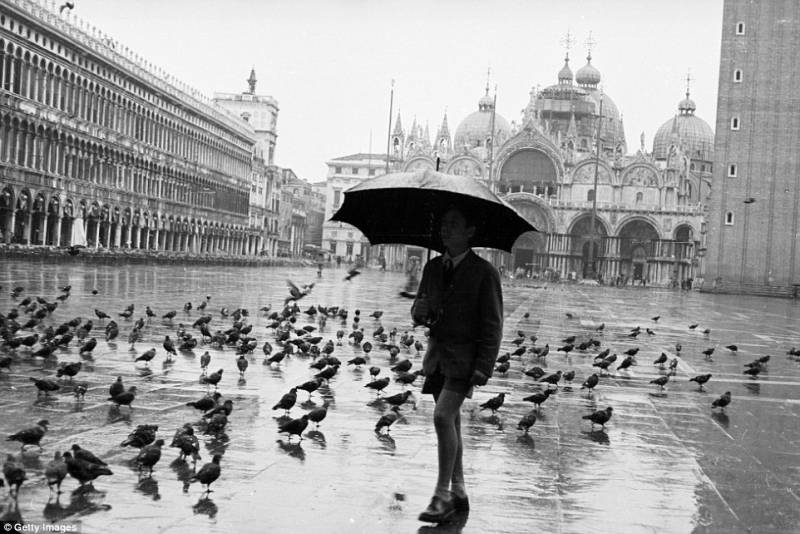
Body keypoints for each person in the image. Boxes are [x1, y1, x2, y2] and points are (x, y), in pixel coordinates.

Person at [411, 205, 503, 524]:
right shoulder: (432, 267)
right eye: (443, 224)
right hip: (438, 357)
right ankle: (459, 489)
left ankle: (441, 496)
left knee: (441, 417)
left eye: (453, 224)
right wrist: (419, 312)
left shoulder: (485, 273)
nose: (445, 229)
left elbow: (493, 324)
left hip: (465, 360)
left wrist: (484, 366)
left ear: (470, 232)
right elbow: (421, 312)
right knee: (452, 422)